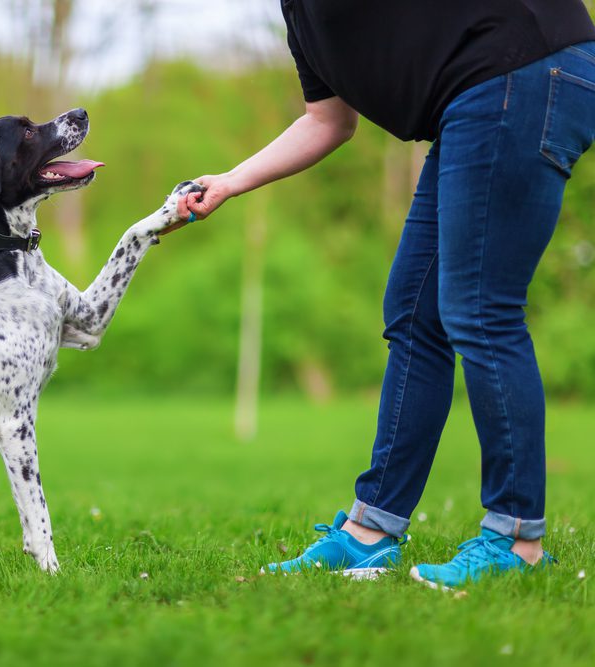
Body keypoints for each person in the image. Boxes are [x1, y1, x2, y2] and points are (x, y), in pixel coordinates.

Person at [175, 0, 595, 588]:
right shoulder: (302, 18)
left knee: (480, 309)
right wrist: (228, 182)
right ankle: (370, 533)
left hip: (521, 67)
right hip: (477, 97)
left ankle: (518, 539)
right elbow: (328, 121)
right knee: (415, 316)